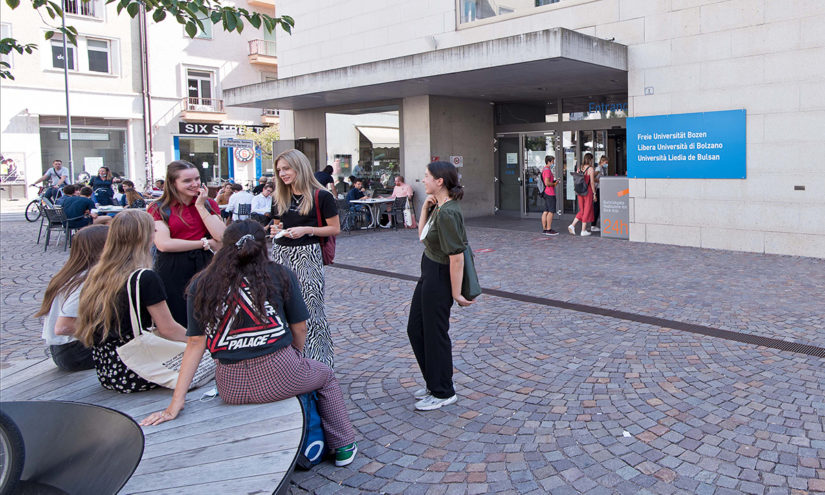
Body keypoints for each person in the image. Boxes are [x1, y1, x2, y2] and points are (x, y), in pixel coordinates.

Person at [140, 221, 358, 467]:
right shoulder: (280, 274)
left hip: (231, 386)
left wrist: (175, 402)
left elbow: (195, 343)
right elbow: (300, 327)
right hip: (282, 374)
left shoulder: (201, 283)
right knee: (326, 376)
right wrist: (296, 354)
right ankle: (343, 445)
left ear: (224, 246)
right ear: (262, 245)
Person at [75, 210, 187, 392]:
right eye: (154, 230)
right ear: (145, 237)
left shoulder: (97, 273)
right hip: (139, 368)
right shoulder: (144, 278)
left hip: (108, 369)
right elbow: (168, 329)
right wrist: (202, 342)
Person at [407, 161, 473, 411]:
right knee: (416, 329)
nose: (423, 180)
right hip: (429, 270)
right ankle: (432, 382)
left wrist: (456, 292)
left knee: (435, 333)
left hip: (439, 274)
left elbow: (456, 257)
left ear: (440, 181)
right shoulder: (439, 206)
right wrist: (424, 207)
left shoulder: (448, 212)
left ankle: (443, 390)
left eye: (426, 176)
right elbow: (422, 236)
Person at [269, 149, 340, 368]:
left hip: (308, 255)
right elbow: (277, 224)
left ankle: (319, 362)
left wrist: (306, 229)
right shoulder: (280, 196)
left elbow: (334, 229)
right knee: (281, 308)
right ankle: (290, 362)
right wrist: (275, 230)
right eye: (280, 170)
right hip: (281, 254)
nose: (283, 174)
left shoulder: (322, 196)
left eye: (287, 168)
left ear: (299, 167)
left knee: (312, 309)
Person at [148, 161, 225, 326]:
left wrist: (201, 207)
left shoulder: (208, 203)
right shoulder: (158, 207)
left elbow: (222, 237)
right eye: (187, 181)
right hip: (172, 266)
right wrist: (204, 243)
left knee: (210, 315)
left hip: (206, 265)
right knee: (179, 316)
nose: (195, 184)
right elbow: (164, 244)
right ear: (172, 182)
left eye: (197, 179)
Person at [35, 225, 109, 371]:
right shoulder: (85, 280)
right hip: (75, 352)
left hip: (64, 350)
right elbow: (63, 327)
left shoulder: (72, 274)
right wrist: (108, 331)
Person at [568, 152, 597, 236]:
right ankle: (583, 230)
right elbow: (592, 182)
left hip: (580, 191)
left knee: (582, 210)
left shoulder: (579, 168)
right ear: (591, 160)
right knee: (587, 210)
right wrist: (594, 193)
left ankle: (572, 225)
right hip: (588, 191)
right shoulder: (590, 169)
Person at [541, 156, 559, 236]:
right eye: (552, 161)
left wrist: (554, 181)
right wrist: (554, 184)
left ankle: (545, 229)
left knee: (546, 211)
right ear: (549, 162)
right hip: (550, 193)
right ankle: (549, 229)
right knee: (551, 212)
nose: (553, 163)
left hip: (546, 193)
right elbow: (547, 183)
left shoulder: (544, 169)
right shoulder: (547, 170)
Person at [592, 156, 608, 232]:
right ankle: (593, 225)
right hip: (598, 189)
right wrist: (599, 180)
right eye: (606, 162)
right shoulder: (598, 168)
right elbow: (592, 177)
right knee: (596, 207)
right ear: (603, 161)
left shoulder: (602, 168)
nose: (607, 164)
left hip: (601, 189)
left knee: (598, 207)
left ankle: (594, 224)